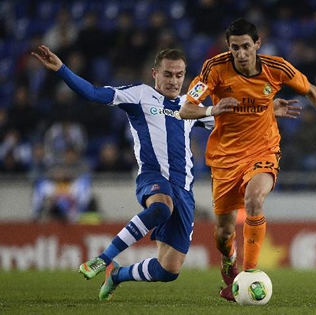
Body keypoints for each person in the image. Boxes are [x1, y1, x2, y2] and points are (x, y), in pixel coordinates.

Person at [31, 45, 299, 301]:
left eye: (179, 75)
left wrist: (268, 110)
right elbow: (93, 92)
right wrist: (61, 69)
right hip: (152, 178)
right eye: (168, 74)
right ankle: (105, 258)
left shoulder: (189, 106)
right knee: (161, 207)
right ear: (155, 74)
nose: (174, 81)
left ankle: (118, 275)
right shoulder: (139, 95)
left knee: (168, 270)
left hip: (183, 191)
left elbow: (236, 119)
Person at [179, 18, 316, 301]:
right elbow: (186, 109)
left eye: (246, 46)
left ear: (257, 44)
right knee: (223, 234)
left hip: (263, 150)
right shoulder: (214, 69)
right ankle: (229, 262)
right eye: (235, 47)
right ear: (229, 47)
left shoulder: (277, 68)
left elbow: (313, 91)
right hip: (225, 157)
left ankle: (249, 273)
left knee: (255, 199)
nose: (241, 53)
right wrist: (213, 110)